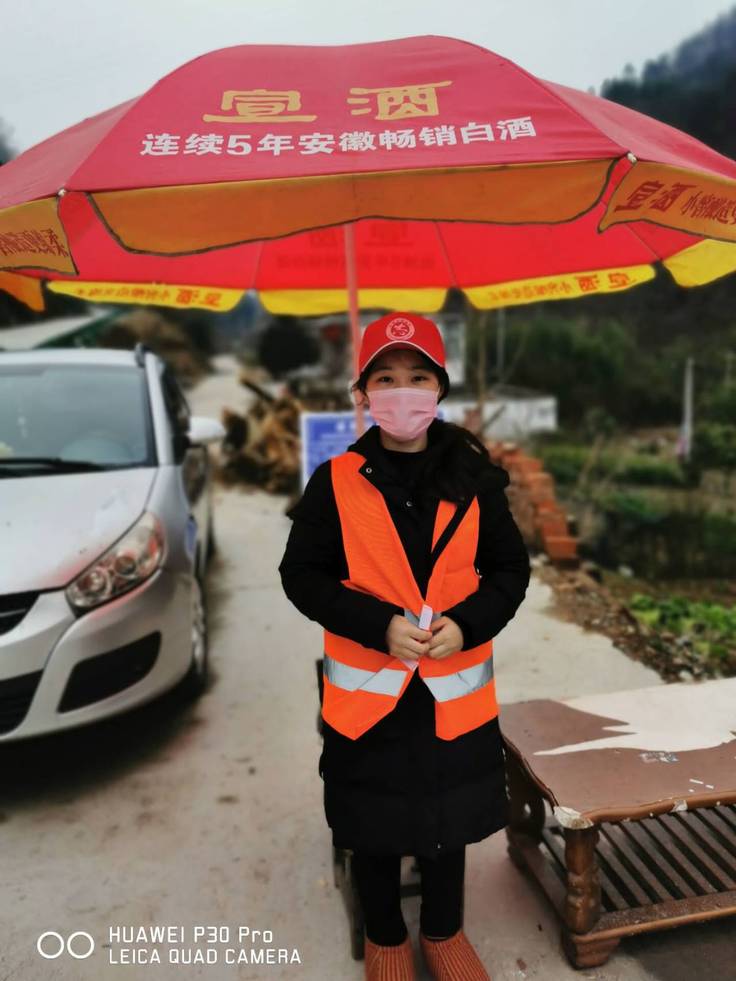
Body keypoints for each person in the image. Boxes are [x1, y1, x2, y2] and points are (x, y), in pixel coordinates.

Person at [279, 312, 530, 981]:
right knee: (373, 819)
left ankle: (444, 932)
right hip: (370, 695)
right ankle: (387, 937)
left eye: (417, 377)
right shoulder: (336, 481)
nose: (401, 392)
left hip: (452, 691)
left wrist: (467, 625)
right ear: (363, 392)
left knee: (448, 817)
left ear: (439, 387)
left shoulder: (476, 478)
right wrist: (376, 623)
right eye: (385, 378)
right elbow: (301, 575)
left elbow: (510, 570)